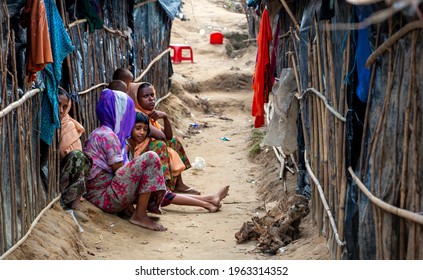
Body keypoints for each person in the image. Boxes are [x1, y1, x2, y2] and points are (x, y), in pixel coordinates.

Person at [82, 87, 168, 231]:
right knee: (151, 157)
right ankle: (140, 215)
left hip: (103, 194)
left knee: (144, 165)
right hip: (104, 198)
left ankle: (136, 212)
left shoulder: (104, 133)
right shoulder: (107, 136)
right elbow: (120, 172)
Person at [126, 112, 230, 212]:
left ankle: (209, 199)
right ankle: (207, 202)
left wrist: (165, 118)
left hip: (136, 188)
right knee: (162, 193)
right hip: (130, 190)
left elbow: (168, 136)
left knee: (162, 193)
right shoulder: (127, 146)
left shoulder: (134, 143)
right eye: (138, 128)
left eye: (145, 129)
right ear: (129, 127)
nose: (142, 133)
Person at [131, 81, 201, 195]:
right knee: (160, 145)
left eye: (152, 95)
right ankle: (163, 187)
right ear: (136, 98)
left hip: (148, 149)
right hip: (137, 154)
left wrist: (165, 117)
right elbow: (161, 137)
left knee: (173, 141)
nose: (151, 99)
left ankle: (179, 184)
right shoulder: (137, 114)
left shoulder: (150, 113)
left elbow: (168, 136)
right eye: (145, 96)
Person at [58, 87, 92, 211]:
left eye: (65, 107)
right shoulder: (44, 124)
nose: (61, 111)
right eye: (58, 105)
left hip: (64, 174)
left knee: (80, 157)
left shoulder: (69, 125)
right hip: (49, 176)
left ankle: (73, 200)